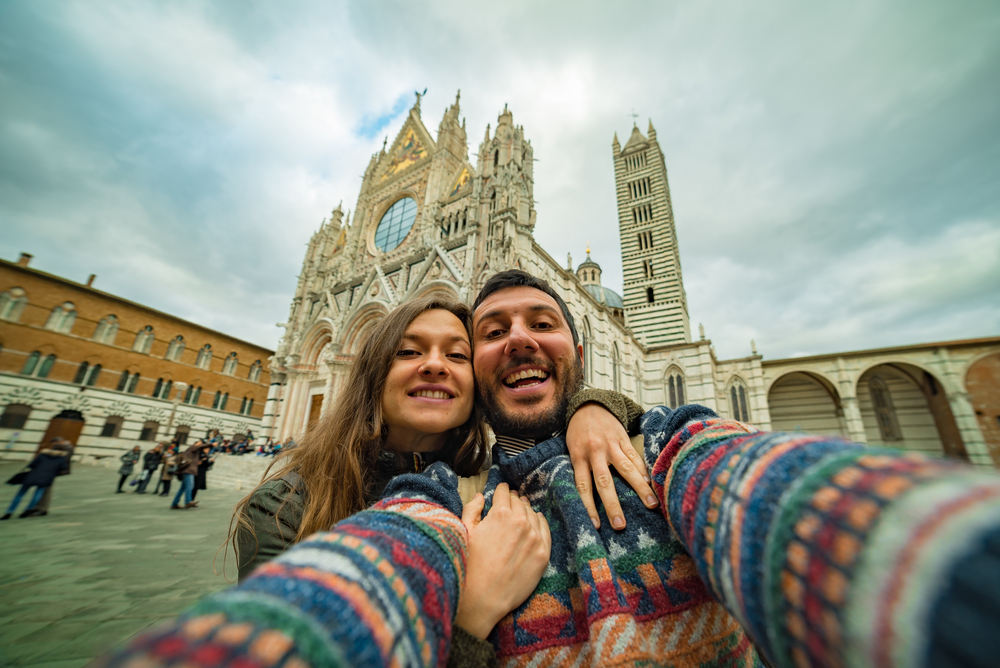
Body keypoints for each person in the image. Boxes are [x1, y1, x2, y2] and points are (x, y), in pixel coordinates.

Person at [94, 270, 1000, 668]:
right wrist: (468, 621)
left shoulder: (662, 446)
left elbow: (778, 501)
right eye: (417, 349)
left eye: (535, 325)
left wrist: (607, 412)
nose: (446, 363)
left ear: (575, 352)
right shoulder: (437, 505)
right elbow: (363, 588)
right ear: (369, 376)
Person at [227, 296, 627, 660]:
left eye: (457, 354)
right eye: (407, 351)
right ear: (372, 372)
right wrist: (468, 616)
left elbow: (537, 402)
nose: (435, 365)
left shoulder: (497, 478)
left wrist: (592, 405)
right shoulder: (285, 506)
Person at [3, 442, 71, 519]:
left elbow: (32, 464)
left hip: (33, 475)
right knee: (37, 494)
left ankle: (9, 512)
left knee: (20, 494)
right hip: (46, 478)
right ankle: (26, 511)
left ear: (52, 447)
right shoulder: (61, 458)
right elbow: (63, 469)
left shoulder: (43, 454)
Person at [23, 438, 73, 517]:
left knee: (46, 490)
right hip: (49, 472)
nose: (52, 446)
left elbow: (63, 461)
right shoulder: (64, 448)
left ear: (59, 442)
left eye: (54, 443)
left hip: (51, 472)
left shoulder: (67, 448)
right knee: (43, 490)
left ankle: (43, 509)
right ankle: (38, 507)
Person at [170, 440, 210, 509]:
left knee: (182, 488)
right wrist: (211, 444)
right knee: (190, 485)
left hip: (188, 470)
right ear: (195, 444)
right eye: (199, 443)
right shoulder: (192, 448)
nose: (200, 444)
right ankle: (188, 501)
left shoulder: (195, 451)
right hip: (188, 471)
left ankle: (174, 503)